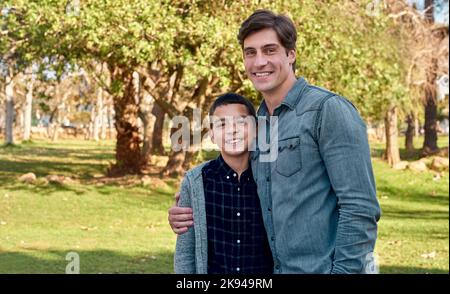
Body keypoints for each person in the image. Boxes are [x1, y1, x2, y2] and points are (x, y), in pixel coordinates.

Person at [169, 9, 381, 274]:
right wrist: (192, 207)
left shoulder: (327, 110)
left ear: (291, 54)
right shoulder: (258, 125)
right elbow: (247, 192)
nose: (259, 62)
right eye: (251, 52)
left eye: (270, 50)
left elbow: (360, 208)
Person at [174, 93, 273, 274]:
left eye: (242, 122)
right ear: (211, 134)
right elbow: (185, 251)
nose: (232, 130)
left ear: (256, 129)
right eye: (222, 124)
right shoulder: (195, 181)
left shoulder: (272, 177)